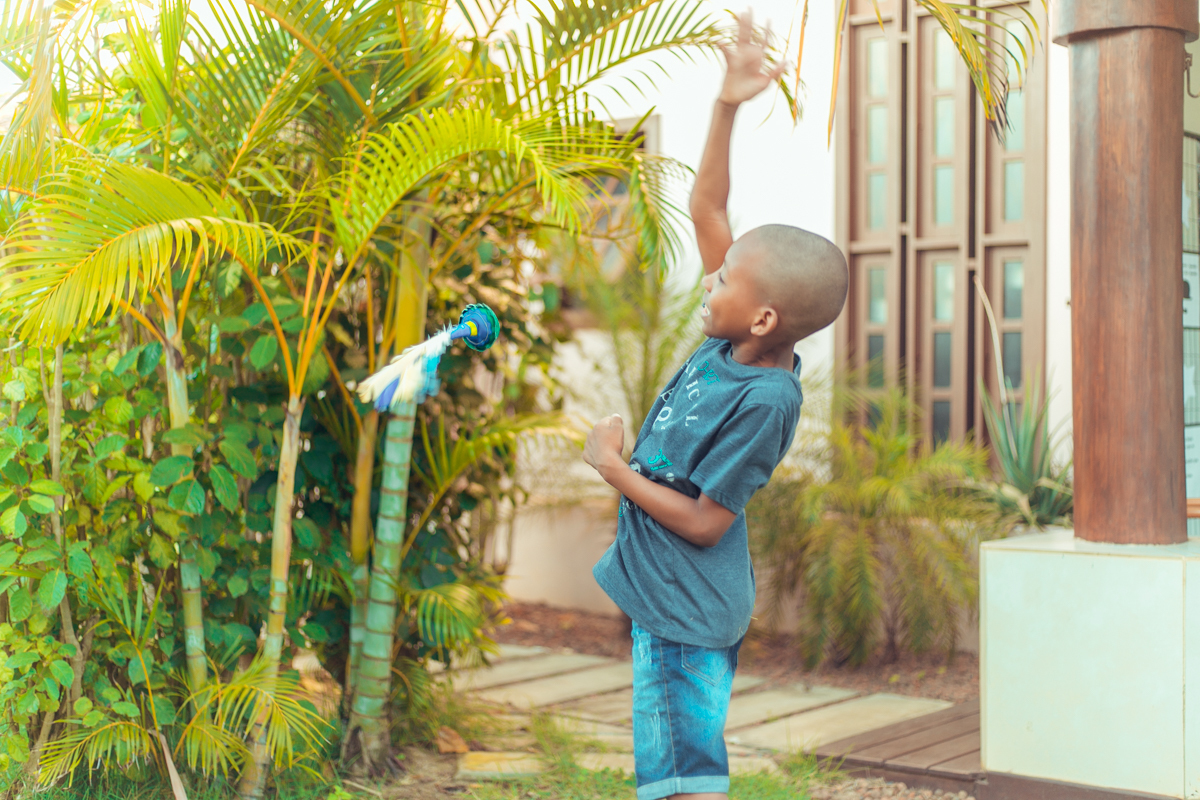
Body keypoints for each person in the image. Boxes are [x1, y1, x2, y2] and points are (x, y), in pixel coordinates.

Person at [581, 11, 850, 800]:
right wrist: (728, 103)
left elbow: (706, 521)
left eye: (726, 278)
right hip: (672, 601)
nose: (710, 279)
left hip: (685, 612)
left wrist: (610, 468)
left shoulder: (765, 398)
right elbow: (707, 208)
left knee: (682, 779)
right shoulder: (727, 344)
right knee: (673, 767)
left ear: (764, 317)